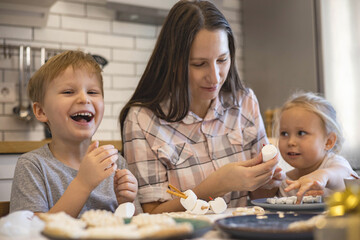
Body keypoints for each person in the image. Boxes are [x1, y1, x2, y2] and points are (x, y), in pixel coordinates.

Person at [119, 0, 284, 214]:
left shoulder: (244, 102)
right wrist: (217, 185)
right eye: (199, 64)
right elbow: (152, 214)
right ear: (173, 62)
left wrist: (267, 183)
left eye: (222, 60)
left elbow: (260, 199)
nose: (215, 77)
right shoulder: (142, 119)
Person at [10, 50, 138, 218]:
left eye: (92, 92)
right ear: (41, 111)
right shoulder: (33, 166)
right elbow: (29, 232)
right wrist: (83, 184)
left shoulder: (115, 163)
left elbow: (140, 228)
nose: (84, 99)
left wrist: (125, 203)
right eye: (68, 92)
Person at [273, 91, 359, 203]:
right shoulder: (285, 182)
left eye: (301, 133)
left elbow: (344, 176)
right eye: (284, 133)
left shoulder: (334, 164)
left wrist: (322, 176)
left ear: (328, 141)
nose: (291, 142)